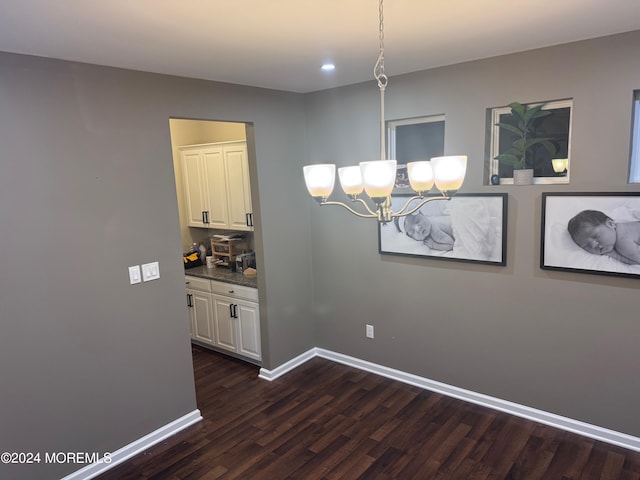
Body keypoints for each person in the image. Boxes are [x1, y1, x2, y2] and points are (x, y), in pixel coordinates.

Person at [567, 209, 640, 265]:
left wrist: (615, 255)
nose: (593, 245)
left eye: (596, 235)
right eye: (587, 245)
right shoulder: (623, 226)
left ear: (611, 224)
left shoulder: (622, 243)